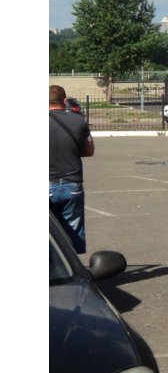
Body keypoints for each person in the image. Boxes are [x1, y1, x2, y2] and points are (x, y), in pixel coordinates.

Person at [49, 84, 94, 253]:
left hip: (47, 182)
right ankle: (74, 269)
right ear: (65, 100)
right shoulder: (78, 120)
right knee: (73, 229)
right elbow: (90, 151)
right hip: (72, 183)